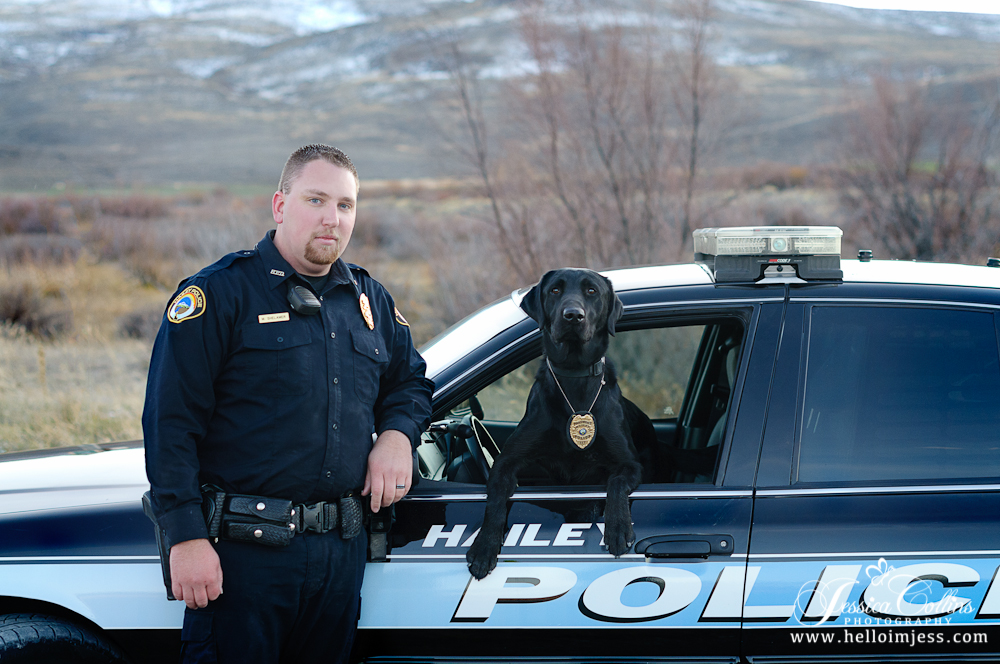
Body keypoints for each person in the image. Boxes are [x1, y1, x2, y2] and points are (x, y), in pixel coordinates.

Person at [142, 144, 433, 663]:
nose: (332, 218)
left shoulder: (370, 302)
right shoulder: (221, 295)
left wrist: (397, 437)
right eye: (316, 200)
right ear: (280, 205)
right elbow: (170, 424)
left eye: (345, 205)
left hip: (339, 559)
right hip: (241, 561)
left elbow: (410, 382)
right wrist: (185, 538)